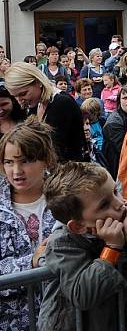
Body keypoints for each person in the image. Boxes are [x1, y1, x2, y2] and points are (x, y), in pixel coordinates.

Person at [38, 161, 127, 330]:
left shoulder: (125, 216)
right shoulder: (62, 242)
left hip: (119, 321)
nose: (119, 203)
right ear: (78, 226)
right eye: (104, 204)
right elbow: (82, 295)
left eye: (115, 191)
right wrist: (112, 248)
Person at [0, 120, 58, 330]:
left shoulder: (68, 198)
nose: (16, 170)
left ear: (46, 160)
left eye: (25, 161)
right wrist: (30, 264)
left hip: (64, 317)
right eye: (8, 162)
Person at [5, 63, 87, 162]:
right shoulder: (37, 104)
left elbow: (57, 148)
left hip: (69, 171)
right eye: (15, 96)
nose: (20, 101)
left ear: (38, 82)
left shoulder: (61, 103)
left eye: (23, 94)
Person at [102, 85, 127, 180]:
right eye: (124, 98)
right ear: (120, 101)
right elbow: (122, 148)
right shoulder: (114, 122)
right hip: (120, 166)